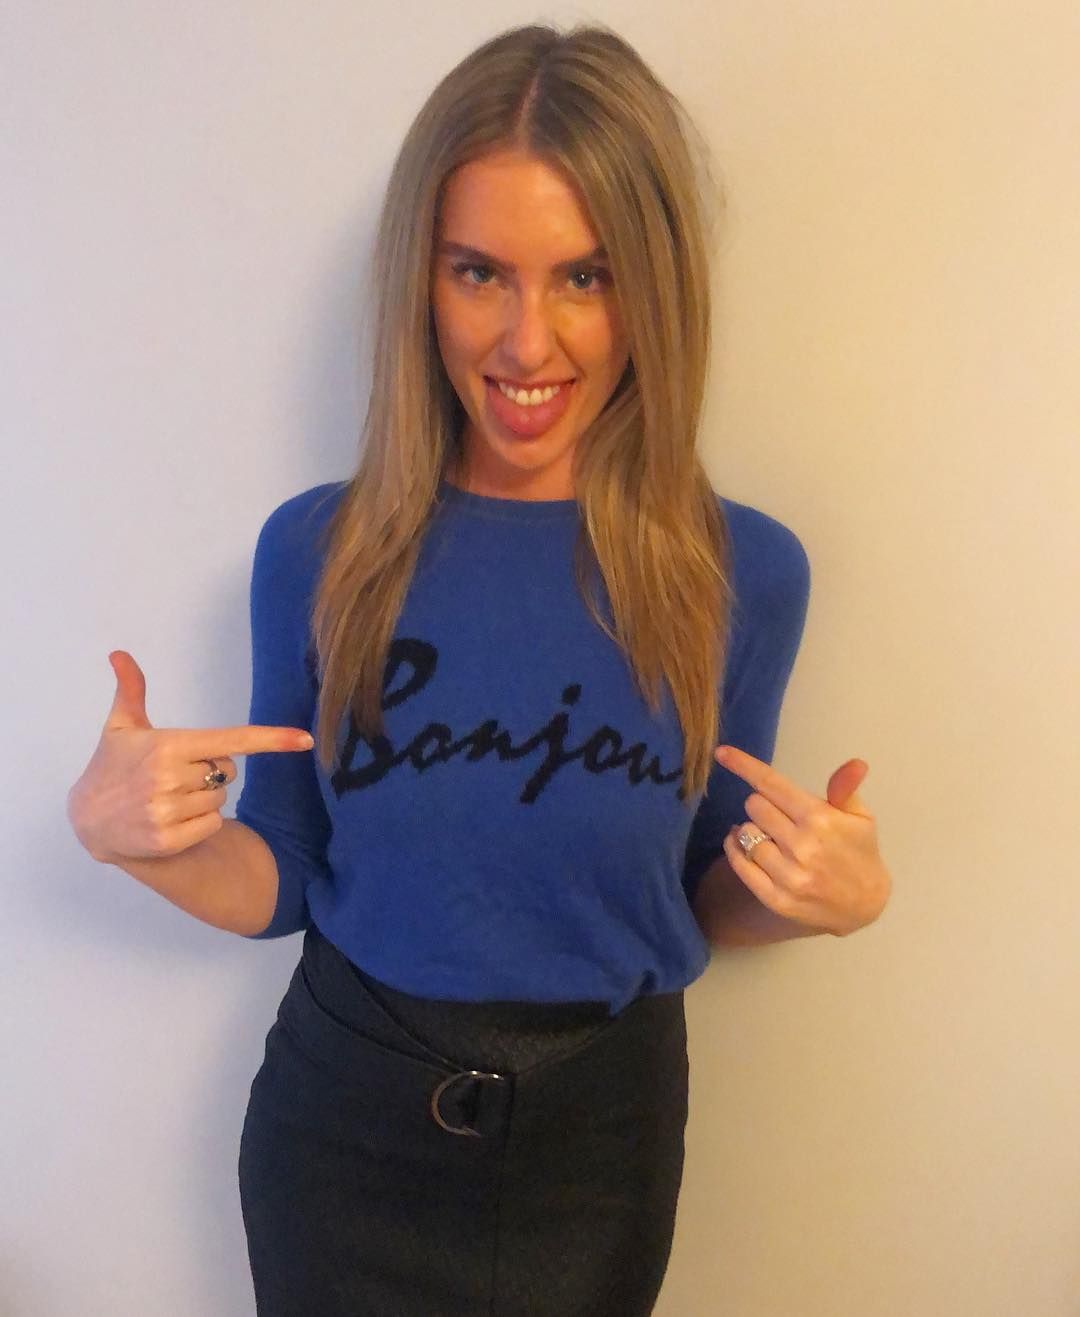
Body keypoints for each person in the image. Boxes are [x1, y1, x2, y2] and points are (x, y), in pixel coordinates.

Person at [66, 20, 891, 1317]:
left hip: (598, 1147)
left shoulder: (741, 571)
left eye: (585, 276)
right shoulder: (321, 551)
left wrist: (813, 898)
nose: (525, 341)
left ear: (654, 288)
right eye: (479, 272)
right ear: (423, 279)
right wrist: (134, 842)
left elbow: (697, 894)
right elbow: (283, 873)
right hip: (343, 1129)